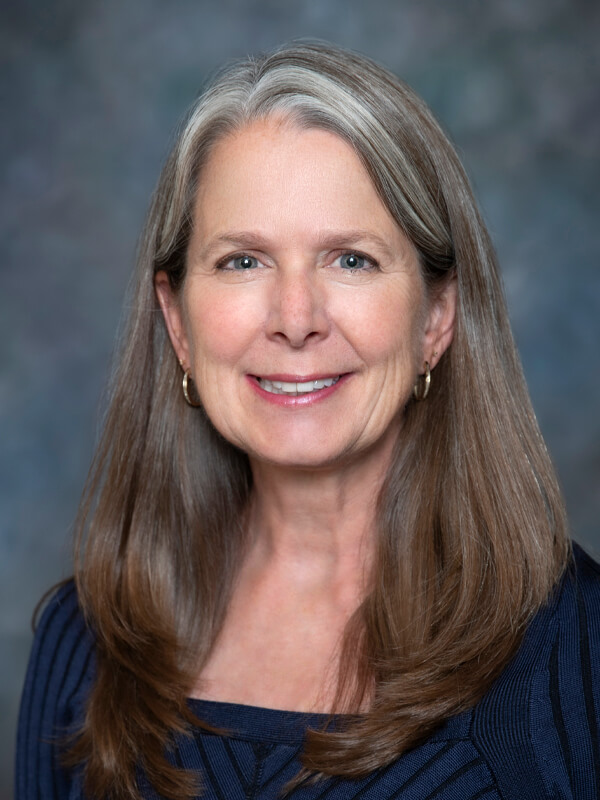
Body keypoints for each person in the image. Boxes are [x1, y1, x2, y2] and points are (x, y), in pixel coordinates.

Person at [16, 42, 600, 800]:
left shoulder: (577, 649)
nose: (296, 319)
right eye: (242, 262)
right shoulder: (84, 643)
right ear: (179, 321)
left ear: (437, 317)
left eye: (350, 260)